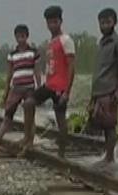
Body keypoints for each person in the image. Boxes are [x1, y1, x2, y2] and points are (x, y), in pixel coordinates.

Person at [0, 24, 40, 157]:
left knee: (30, 117)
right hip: (16, 88)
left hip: (29, 88)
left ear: (27, 36)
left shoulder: (33, 52)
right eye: (18, 36)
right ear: (15, 37)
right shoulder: (12, 55)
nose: (21, 39)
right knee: (7, 116)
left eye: (23, 36)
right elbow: (9, 74)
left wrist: (39, 88)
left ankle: (29, 144)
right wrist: (5, 92)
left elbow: (37, 72)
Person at [30, 5, 76, 158]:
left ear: (60, 21)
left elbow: (71, 67)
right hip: (49, 84)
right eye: (49, 22)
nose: (52, 25)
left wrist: (67, 92)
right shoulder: (51, 42)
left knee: (60, 118)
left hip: (61, 87)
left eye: (55, 22)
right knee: (28, 103)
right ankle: (29, 138)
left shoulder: (66, 40)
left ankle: (62, 153)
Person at [89, 8, 118, 164]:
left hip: (110, 90)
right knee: (100, 124)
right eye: (102, 22)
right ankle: (107, 155)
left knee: (110, 125)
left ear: (115, 23)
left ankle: (110, 157)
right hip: (99, 90)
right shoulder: (101, 43)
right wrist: (92, 96)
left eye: (108, 22)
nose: (105, 25)